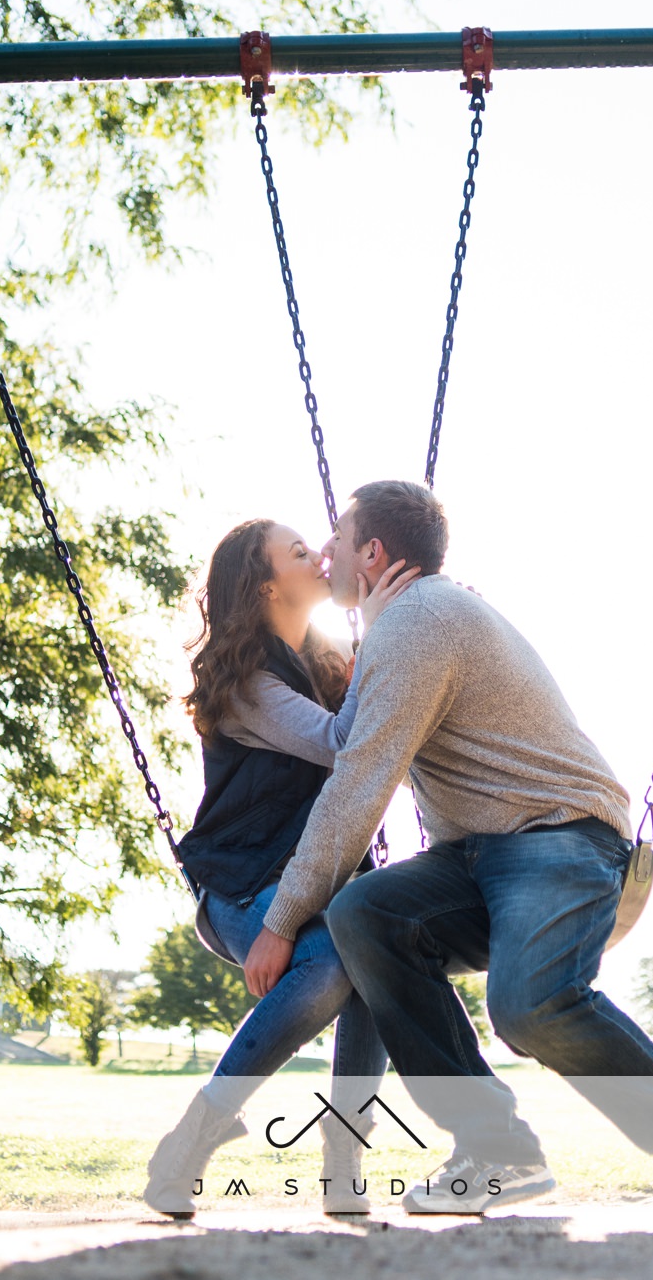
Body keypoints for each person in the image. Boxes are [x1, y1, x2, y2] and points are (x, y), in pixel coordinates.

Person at [242, 480, 653, 1216]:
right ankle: (497, 1150)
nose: (324, 549)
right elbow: (355, 750)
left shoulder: (421, 619)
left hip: (561, 835)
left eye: (337, 532)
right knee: (366, 913)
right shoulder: (403, 620)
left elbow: (359, 783)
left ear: (373, 550)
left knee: (529, 1005)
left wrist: (281, 918)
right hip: (480, 855)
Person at [143, 517, 416, 1216]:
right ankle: (195, 1136)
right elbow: (342, 742)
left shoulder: (326, 665)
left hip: (308, 886)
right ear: (266, 584)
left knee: (373, 954)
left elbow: (387, 744)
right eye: (299, 552)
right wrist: (383, 632)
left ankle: (343, 1154)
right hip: (238, 886)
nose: (319, 553)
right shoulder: (246, 684)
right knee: (331, 965)